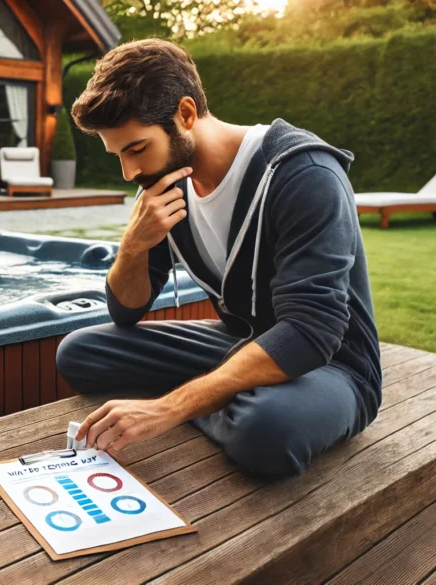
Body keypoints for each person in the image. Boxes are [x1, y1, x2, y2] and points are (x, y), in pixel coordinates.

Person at [57, 38, 381, 477]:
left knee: (266, 429)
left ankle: (209, 402)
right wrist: (134, 245)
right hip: (237, 346)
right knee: (80, 352)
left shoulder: (303, 174)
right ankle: (220, 398)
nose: (130, 173)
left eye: (136, 149)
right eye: (118, 156)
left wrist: (168, 408)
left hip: (331, 366)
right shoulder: (165, 189)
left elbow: (310, 332)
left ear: (185, 115)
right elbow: (125, 310)